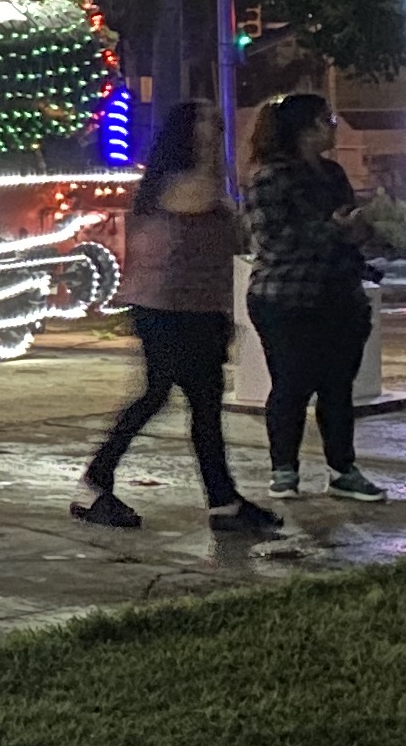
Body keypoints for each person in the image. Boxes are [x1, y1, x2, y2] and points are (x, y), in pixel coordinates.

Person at [76, 99, 272, 533]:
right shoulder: (181, 185)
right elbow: (206, 206)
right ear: (188, 133)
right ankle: (95, 482)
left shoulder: (188, 183)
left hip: (193, 309)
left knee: (195, 403)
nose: (218, 127)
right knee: (163, 397)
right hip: (169, 309)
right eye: (207, 122)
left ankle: (221, 500)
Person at [242, 92, 385, 499]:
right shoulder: (270, 178)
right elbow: (274, 242)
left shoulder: (332, 174)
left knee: (338, 387)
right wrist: (334, 228)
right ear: (306, 129)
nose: (334, 128)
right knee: (291, 384)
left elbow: (349, 230)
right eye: (328, 121)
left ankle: (342, 469)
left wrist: (365, 228)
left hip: (338, 294)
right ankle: (284, 469)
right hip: (286, 297)